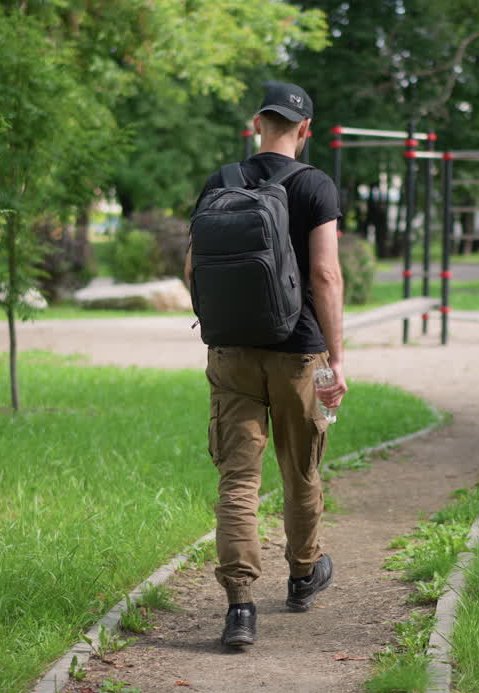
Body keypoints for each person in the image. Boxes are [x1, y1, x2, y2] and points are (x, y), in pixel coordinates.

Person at [185, 81, 348, 649]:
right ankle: (303, 576)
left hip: (229, 350)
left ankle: (239, 608)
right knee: (300, 468)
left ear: (257, 123)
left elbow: (192, 269)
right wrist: (337, 357)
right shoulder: (315, 186)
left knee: (238, 478)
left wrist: (219, 328)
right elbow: (325, 275)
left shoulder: (219, 182)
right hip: (299, 349)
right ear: (305, 130)